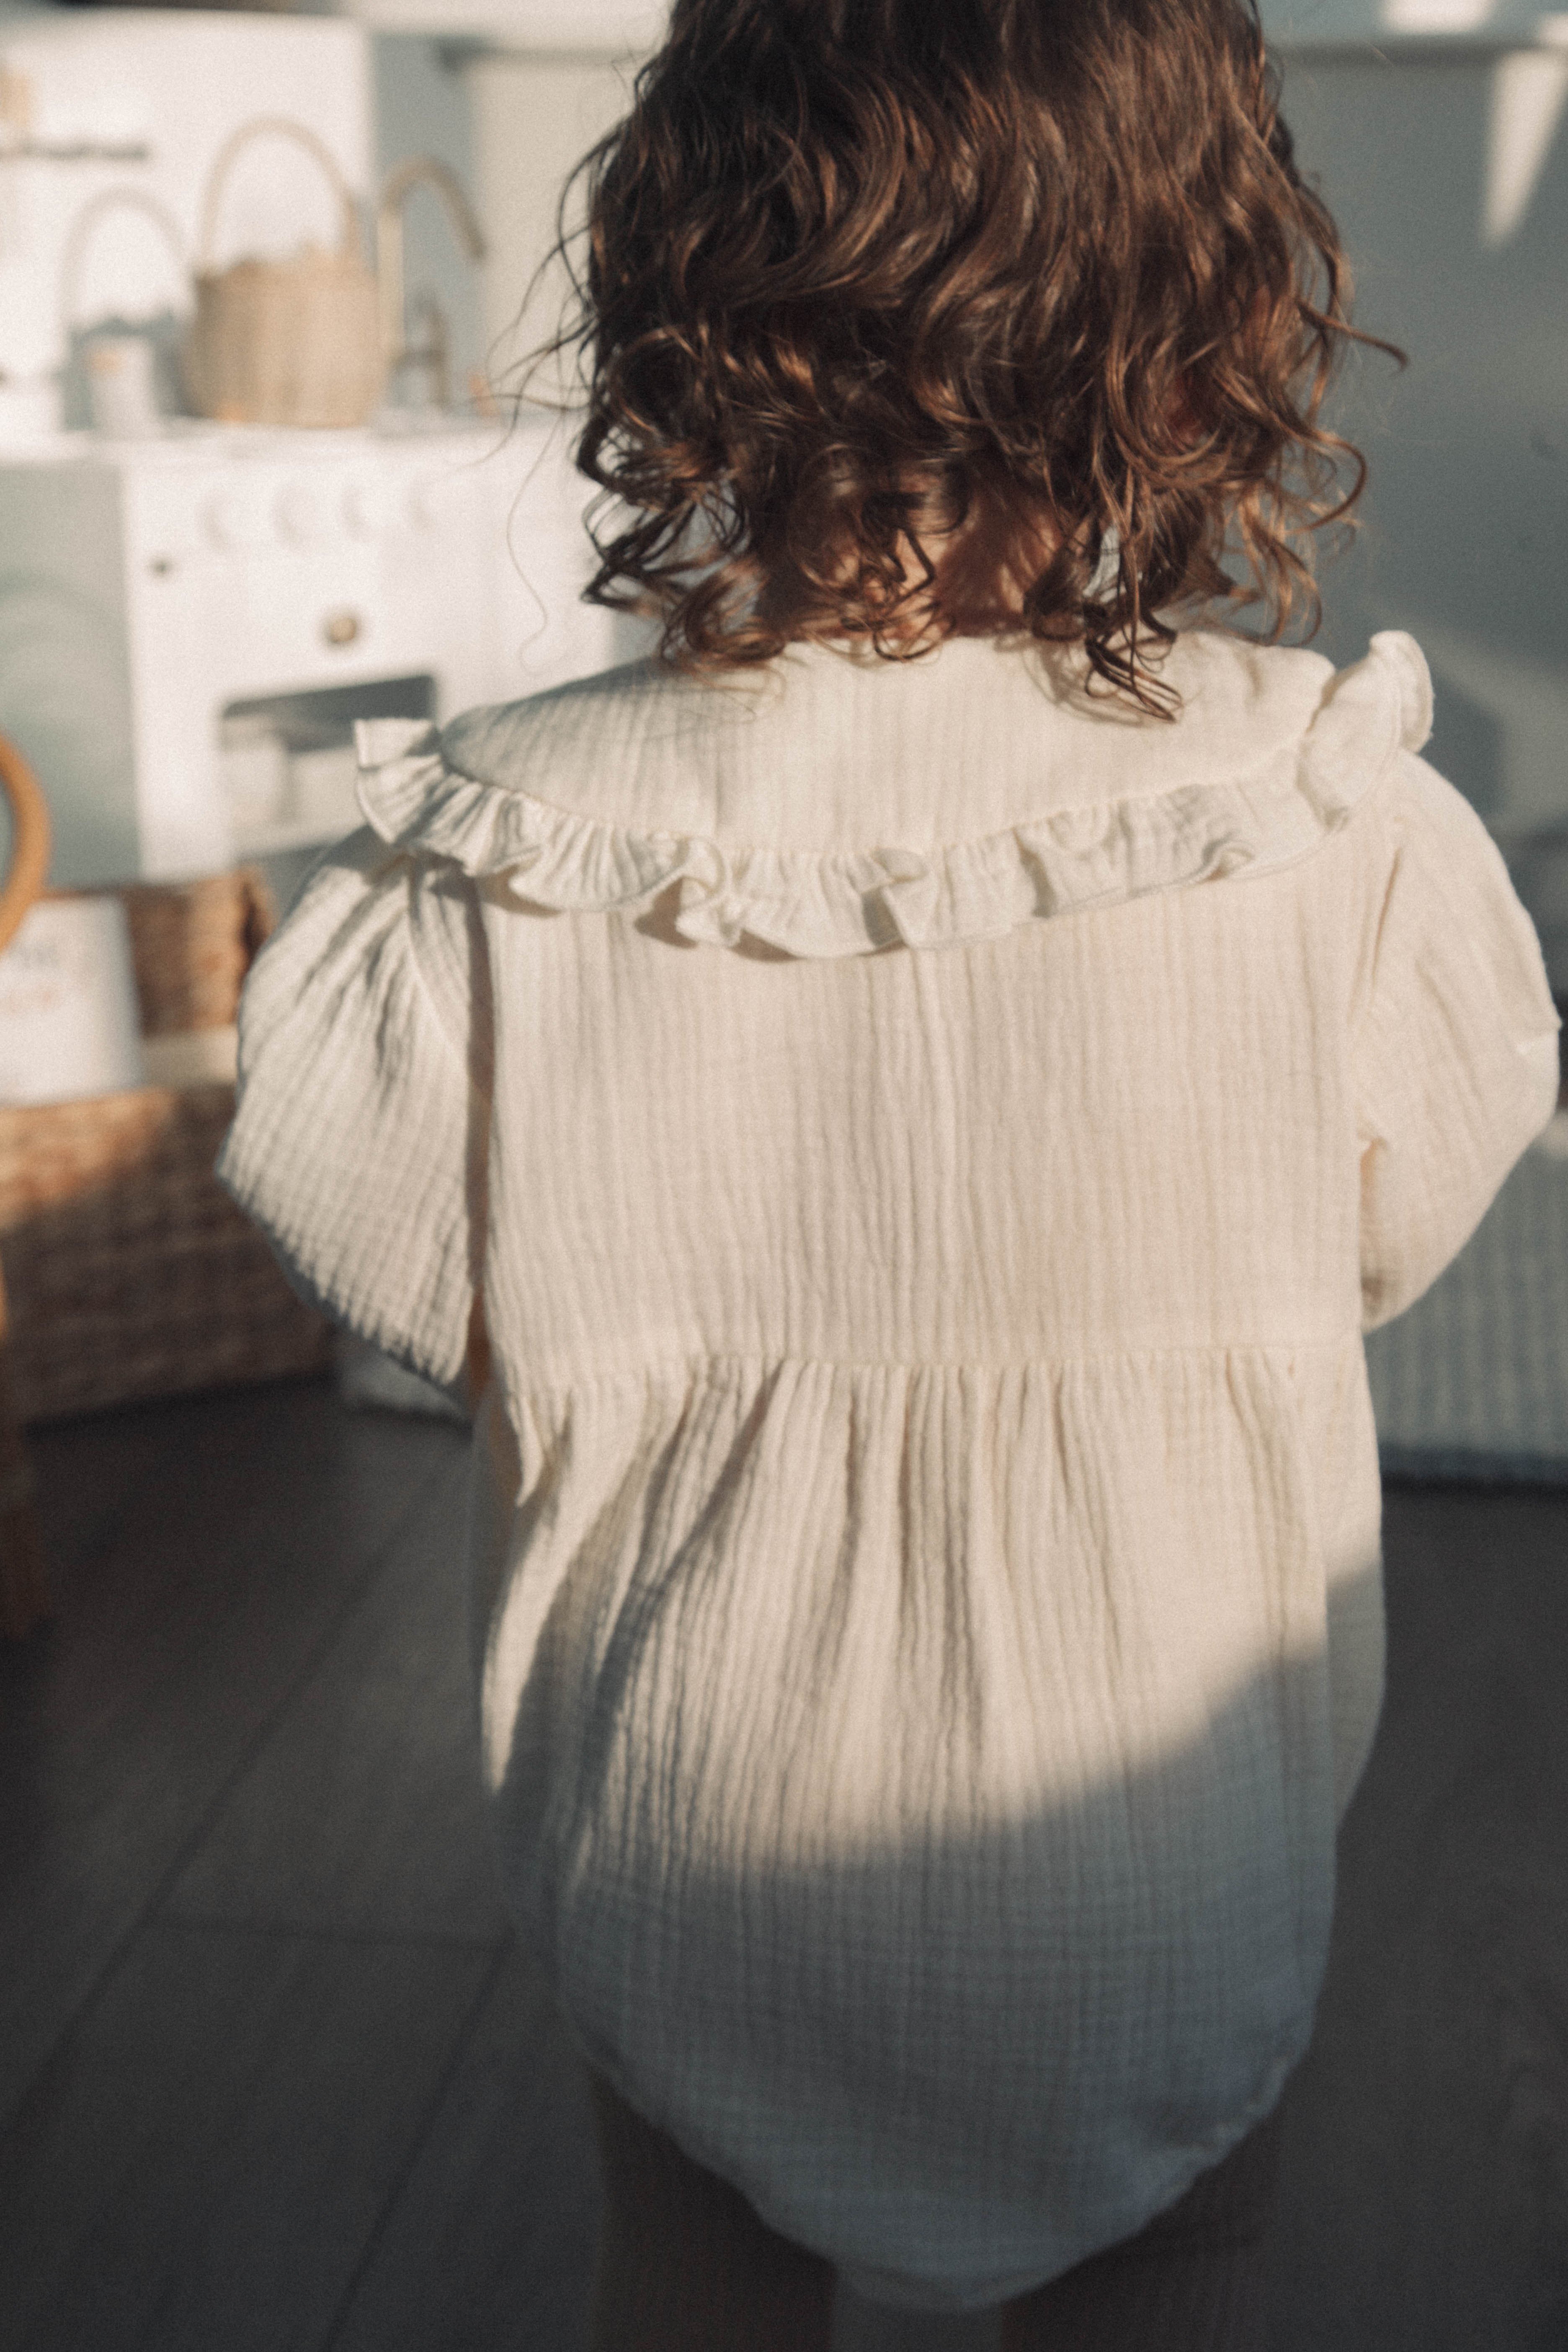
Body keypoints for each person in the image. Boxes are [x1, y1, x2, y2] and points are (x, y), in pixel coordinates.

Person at [216, 2, 1562, 2344]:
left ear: (679, 323)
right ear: (1200, 346)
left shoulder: (509, 847)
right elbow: (1398, 1214)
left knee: (692, 2261)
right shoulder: (1327, 819)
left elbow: (388, 1248)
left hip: (688, 1810)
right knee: (1185, 2263)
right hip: (1164, 1826)